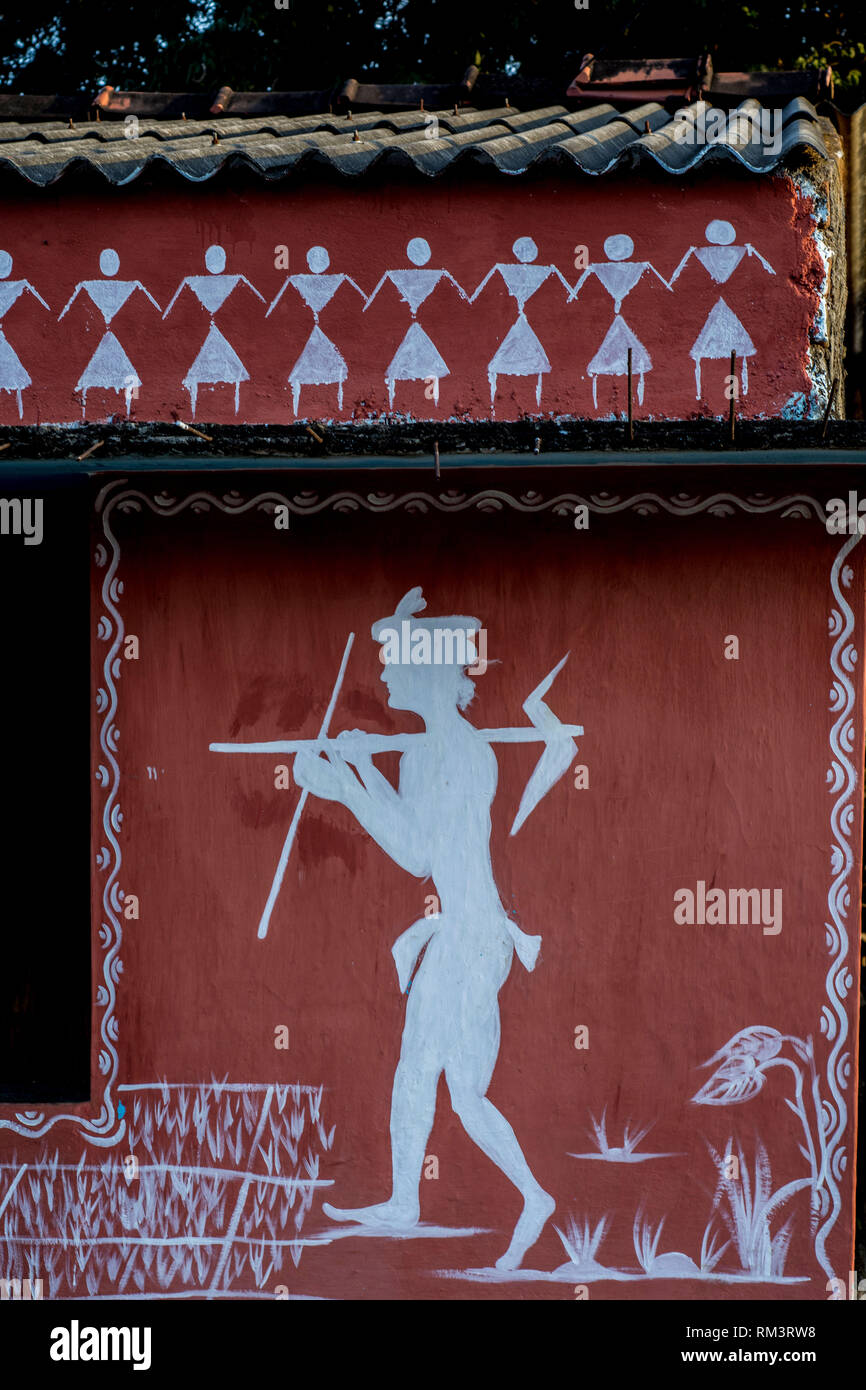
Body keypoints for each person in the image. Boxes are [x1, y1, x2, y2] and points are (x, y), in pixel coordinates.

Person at [292, 588, 554, 1270]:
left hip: (475, 937)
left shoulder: (465, 755)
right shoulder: (419, 753)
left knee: (459, 1089)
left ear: (427, 672)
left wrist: (350, 780)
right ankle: (410, 1199)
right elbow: (411, 849)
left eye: (394, 664)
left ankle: (530, 1195)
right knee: (422, 1070)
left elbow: (421, 848)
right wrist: (351, 777)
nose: (382, 676)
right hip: (460, 936)